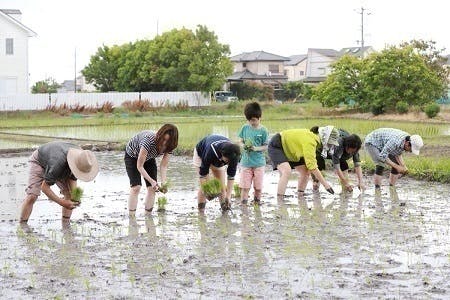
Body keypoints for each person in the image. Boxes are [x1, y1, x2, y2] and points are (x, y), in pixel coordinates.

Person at [20, 141, 99, 223]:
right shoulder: (57, 164)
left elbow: (72, 179)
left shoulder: (82, 159)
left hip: (60, 161)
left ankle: (66, 225)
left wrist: (75, 197)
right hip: (40, 160)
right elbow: (45, 187)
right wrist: (62, 202)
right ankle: (23, 226)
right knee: (32, 196)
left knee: (69, 194)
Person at [267, 127, 336, 199]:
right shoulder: (310, 142)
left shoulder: (315, 140)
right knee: (286, 171)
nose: (330, 145)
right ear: (325, 139)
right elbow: (312, 166)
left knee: (305, 171)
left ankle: (300, 195)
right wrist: (326, 185)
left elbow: (311, 165)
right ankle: (280, 200)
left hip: (291, 150)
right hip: (278, 145)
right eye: (330, 143)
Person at [124, 124, 178, 214]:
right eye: (163, 139)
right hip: (132, 156)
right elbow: (139, 166)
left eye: (167, 142)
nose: (164, 144)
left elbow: (163, 166)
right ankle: (132, 218)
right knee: (136, 187)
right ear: (159, 136)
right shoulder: (148, 141)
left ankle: (148, 217)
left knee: (152, 188)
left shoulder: (170, 146)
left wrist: (163, 183)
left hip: (149, 157)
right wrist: (152, 181)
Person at [193, 134, 241, 211]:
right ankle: (201, 212)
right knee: (205, 186)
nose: (228, 164)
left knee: (221, 186)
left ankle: (225, 210)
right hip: (201, 154)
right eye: (227, 161)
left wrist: (228, 196)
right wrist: (207, 190)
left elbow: (231, 177)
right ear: (222, 154)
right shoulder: (210, 151)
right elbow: (203, 175)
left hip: (219, 159)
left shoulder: (234, 156)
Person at [314, 128, 364, 192]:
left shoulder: (354, 147)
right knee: (319, 171)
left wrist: (360, 181)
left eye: (353, 152)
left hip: (338, 153)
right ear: (347, 146)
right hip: (320, 150)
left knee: (344, 166)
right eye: (351, 151)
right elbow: (337, 168)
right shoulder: (338, 146)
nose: (351, 153)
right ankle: (315, 190)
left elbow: (357, 165)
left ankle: (345, 191)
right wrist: (346, 183)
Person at [237, 102, 269, 205]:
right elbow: (240, 140)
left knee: (258, 187)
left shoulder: (264, 130)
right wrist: (243, 145)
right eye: (249, 120)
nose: (252, 122)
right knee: (245, 187)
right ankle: (244, 206)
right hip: (246, 163)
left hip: (259, 163)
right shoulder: (244, 128)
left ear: (260, 117)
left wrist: (255, 148)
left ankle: (257, 204)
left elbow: (266, 146)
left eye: (254, 120)